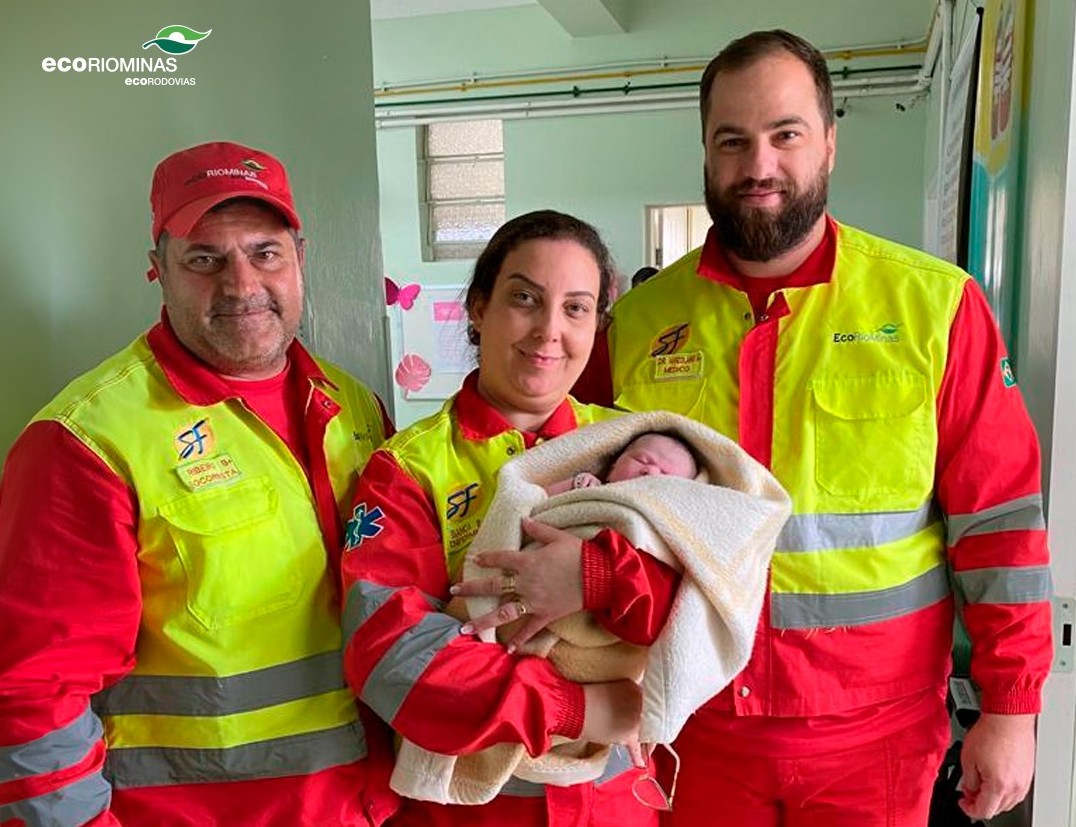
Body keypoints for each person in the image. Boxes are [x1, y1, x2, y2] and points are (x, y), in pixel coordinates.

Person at [573, 30, 1052, 827]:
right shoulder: (633, 326)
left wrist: (1010, 706)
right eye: (733, 141)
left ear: (829, 142)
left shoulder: (935, 308)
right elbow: (568, 487)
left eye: (785, 134)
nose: (758, 165)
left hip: (877, 738)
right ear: (705, 153)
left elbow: (999, 521)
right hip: (692, 728)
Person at [0, 141, 398, 826]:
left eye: (264, 252)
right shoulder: (86, 441)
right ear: (158, 270)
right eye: (205, 259)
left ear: (300, 257)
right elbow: (32, 689)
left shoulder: (354, 406)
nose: (242, 285)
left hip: (368, 808)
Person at [339, 210, 679, 827]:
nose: (549, 331)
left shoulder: (636, 447)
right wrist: (571, 708)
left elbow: (711, 593)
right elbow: (389, 652)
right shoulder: (409, 468)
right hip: (471, 807)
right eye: (525, 298)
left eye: (576, 308)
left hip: (612, 799)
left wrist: (599, 580)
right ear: (478, 309)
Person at [544, 430, 698, 494]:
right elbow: (539, 499)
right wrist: (575, 484)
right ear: (613, 465)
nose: (651, 471)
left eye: (665, 474)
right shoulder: (593, 487)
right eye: (642, 460)